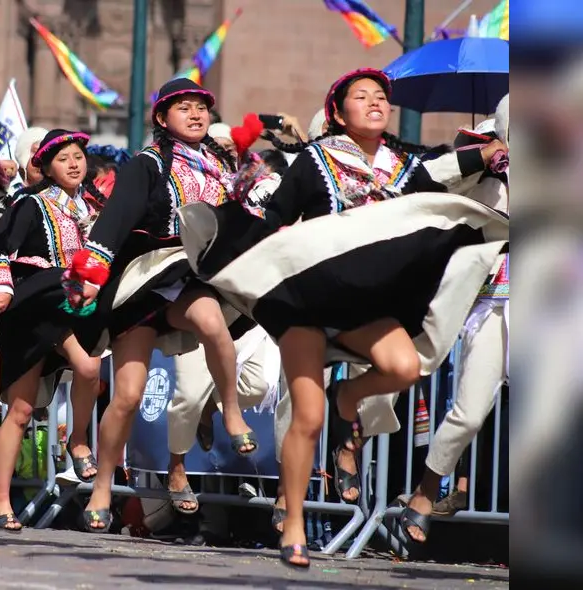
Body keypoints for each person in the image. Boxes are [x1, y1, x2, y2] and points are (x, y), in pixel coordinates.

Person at [174, 68, 509, 568]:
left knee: (404, 366)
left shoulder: (403, 164)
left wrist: (486, 155)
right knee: (306, 419)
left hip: (366, 307)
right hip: (309, 300)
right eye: (362, 96)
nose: (375, 103)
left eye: (381, 97)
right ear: (338, 111)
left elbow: (439, 177)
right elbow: (275, 219)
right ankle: (291, 525)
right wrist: (238, 230)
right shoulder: (315, 159)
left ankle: (347, 398)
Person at [63, 78, 257, 533]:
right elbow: (115, 220)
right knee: (127, 396)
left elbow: (240, 214)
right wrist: (90, 275)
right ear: (162, 118)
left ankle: (229, 410)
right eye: (183, 107)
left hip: (193, 275)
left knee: (212, 322)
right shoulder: (147, 163)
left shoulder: (221, 164)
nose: (195, 114)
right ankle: (104, 486)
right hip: (146, 278)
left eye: (201, 108)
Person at [400, 95, 511, 544]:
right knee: (467, 416)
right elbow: (422, 182)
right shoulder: (489, 169)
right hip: (499, 299)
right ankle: (425, 493)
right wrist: (480, 155)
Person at [0, 129, 107, 531]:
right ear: (47, 168)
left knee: (90, 370)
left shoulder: (93, 208)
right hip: (36, 311)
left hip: (76, 308)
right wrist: (2, 287)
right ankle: (0, 501)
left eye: (78, 157)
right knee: (19, 412)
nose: (74, 164)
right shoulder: (31, 204)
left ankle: (78, 440)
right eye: (63, 158)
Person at [165, 317, 281, 513]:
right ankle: (176, 467)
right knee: (190, 398)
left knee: (257, 386)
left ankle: (207, 409)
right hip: (197, 316)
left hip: (241, 314)